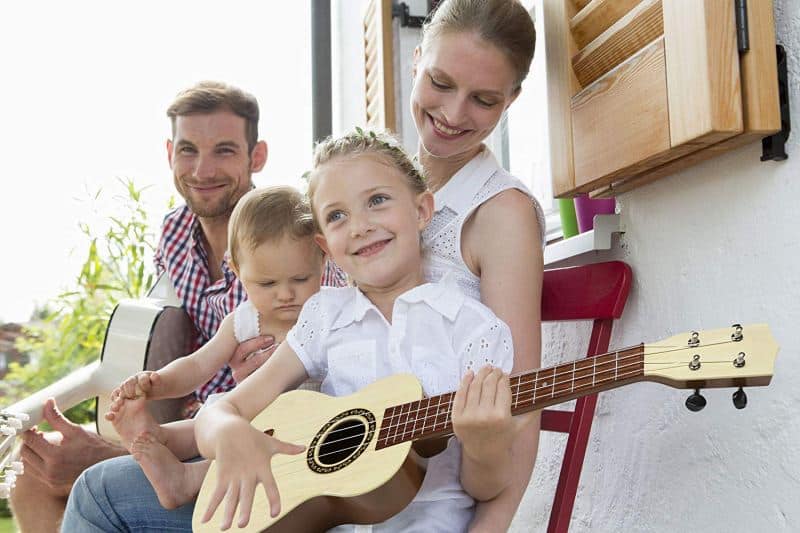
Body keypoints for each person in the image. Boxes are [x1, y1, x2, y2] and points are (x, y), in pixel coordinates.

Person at [11, 80, 318, 532]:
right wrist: (148, 393)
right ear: (170, 152)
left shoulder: (288, 238)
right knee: (30, 477)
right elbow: (187, 352)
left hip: (263, 422)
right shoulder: (174, 234)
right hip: (192, 419)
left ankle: (135, 461)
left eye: (225, 151)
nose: (202, 169)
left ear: (257, 156)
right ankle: (137, 454)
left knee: (98, 480)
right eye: (189, 150)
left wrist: (112, 451)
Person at [193, 129, 519, 532]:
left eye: (377, 201)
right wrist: (226, 431)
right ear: (325, 247)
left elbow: (484, 489)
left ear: (421, 211)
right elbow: (221, 408)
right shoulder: (324, 317)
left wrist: (484, 446)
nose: (360, 226)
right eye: (337, 216)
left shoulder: (474, 330)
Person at [104, 186, 325, 510]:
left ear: (323, 258)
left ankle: (187, 479)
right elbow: (197, 366)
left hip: (293, 428)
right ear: (236, 271)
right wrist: (159, 383)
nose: (286, 294)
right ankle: (155, 437)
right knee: (210, 419)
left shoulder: (325, 315)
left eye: (300, 279)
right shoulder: (243, 322)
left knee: (262, 437)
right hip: (236, 414)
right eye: (267, 284)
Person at [411, 1, 545, 531]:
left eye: (484, 99)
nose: (454, 113)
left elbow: (523, 406)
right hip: (328, 485)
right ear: (417, 57)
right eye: (440, 81)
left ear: (511, 99)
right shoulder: (380, 191)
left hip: (423, 505)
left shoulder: (500, 214)